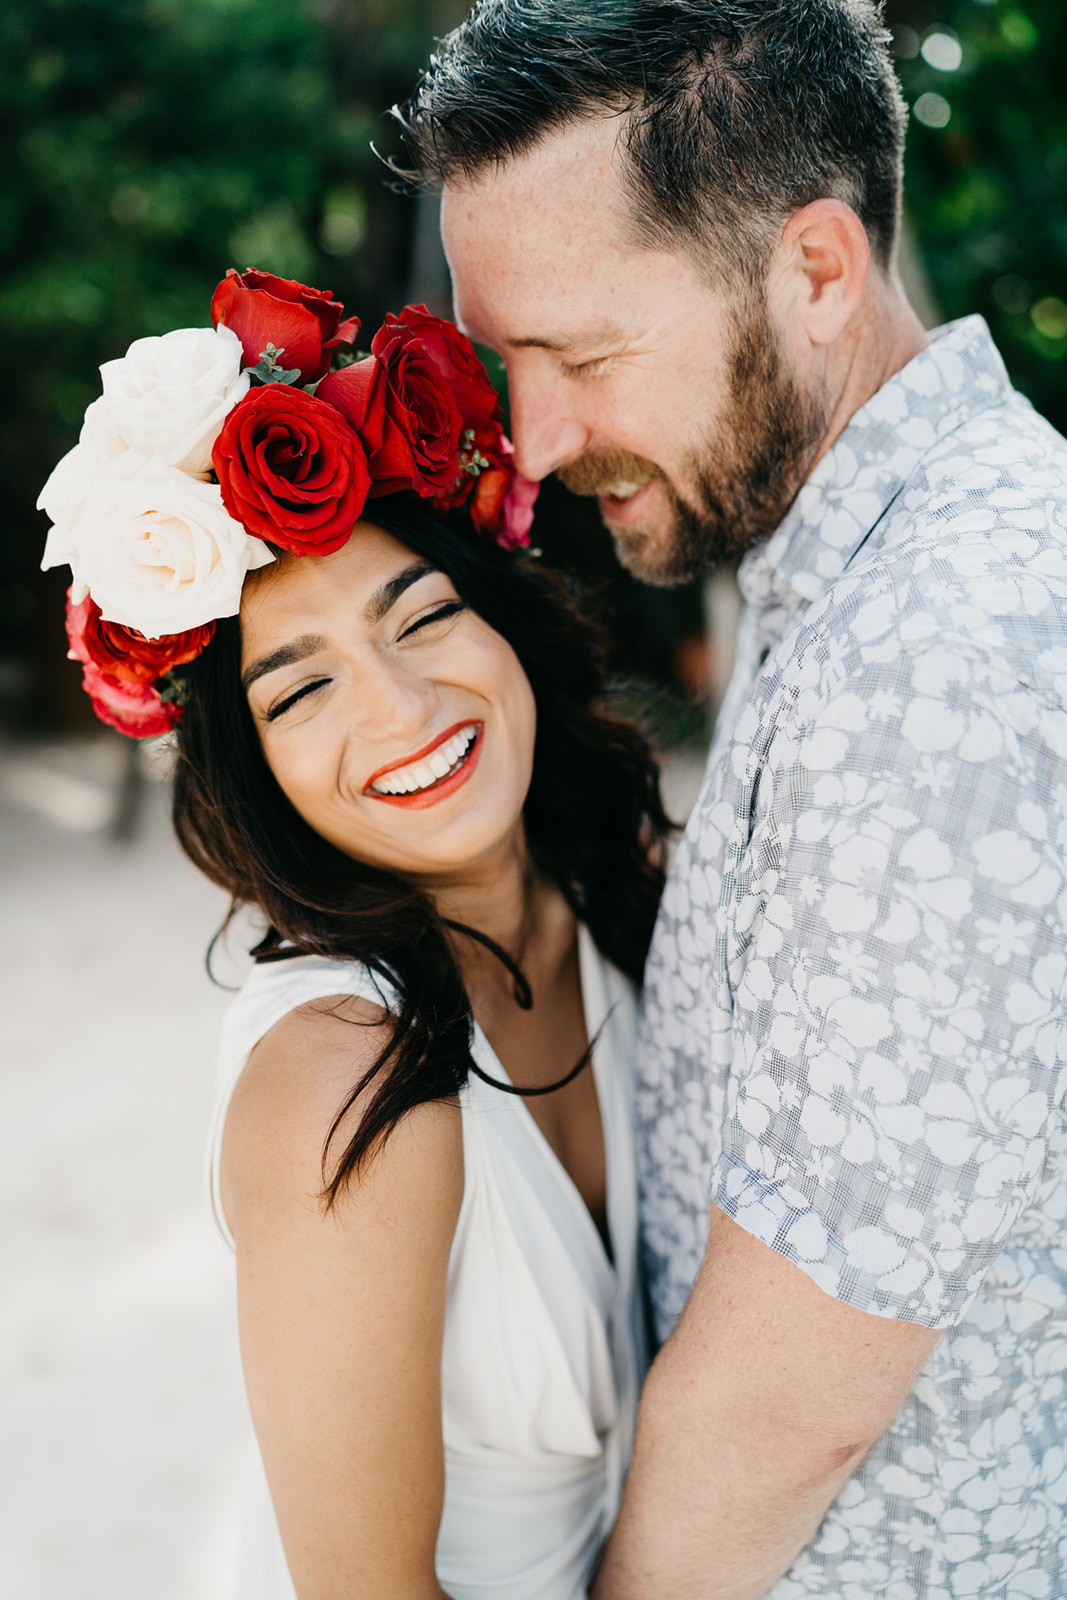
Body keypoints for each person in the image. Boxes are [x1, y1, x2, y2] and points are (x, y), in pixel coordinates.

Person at [401, 1, 1067, 1594]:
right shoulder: (886, 561)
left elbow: (787, 1411)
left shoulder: (933, 652)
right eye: (510, 362)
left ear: (817, 272)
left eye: (584, 353)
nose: (536, 436)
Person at [37, 273, 674, 1598]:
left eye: (423, 617)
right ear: (254, 770)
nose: (399, 708)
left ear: (502, 622)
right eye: (304, 684)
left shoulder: (625, 897)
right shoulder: (345, 1076)